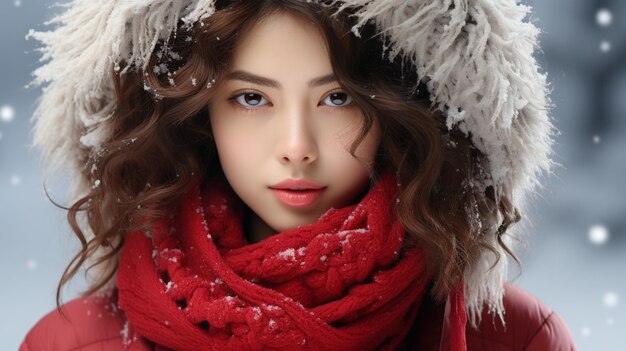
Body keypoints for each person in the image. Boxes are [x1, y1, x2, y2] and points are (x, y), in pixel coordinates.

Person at [21, 0, 576, 350]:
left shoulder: (516, 338)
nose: (296, 148)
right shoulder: (71, 342)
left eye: (337, 97)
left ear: (403, 110)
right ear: (197, 113)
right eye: (251, 98)